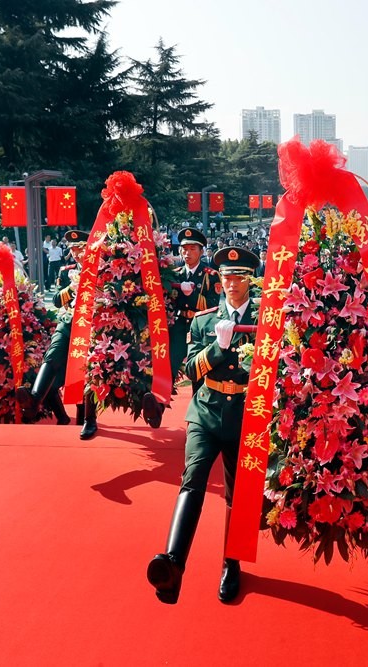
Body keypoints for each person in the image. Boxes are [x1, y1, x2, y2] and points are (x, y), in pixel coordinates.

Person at [147, 246, 261, 605]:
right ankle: (173, 562)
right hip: (207, 410)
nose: (232, 283)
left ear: (250, 280)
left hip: (245, 412)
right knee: (192, 479)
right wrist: (217, 347)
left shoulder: (262, 320)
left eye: (240, 276)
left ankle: (231, 563)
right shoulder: (204, 320)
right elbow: (190, 370)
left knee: (236, 494)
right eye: (227, 276)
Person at [15, 231, 85, 430]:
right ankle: (34, 401)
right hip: (69, 321)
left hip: (90, 325)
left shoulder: (101, 269)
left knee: (84, 371)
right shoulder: (66, 271)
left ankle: (85, 418)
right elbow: (56, 300)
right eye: (73, 250)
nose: (77, 253)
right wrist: (72, 288)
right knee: (52, 356)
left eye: (80, 248)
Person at [169, 227, 221, 388]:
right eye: (184, 249)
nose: (187, 253)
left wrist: (190, 294)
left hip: (199, 329)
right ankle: (159, 405)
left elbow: (213, 305)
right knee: (170, 364)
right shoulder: (175, 274)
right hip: (179, 324)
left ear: (201, 251)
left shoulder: (210, 275)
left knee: (197, 371)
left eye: (192, 249)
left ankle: (198, 409)